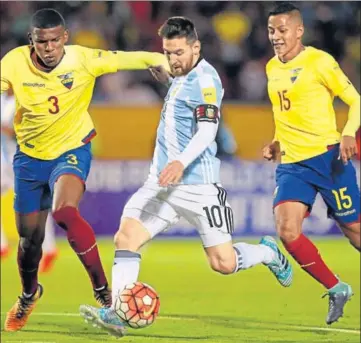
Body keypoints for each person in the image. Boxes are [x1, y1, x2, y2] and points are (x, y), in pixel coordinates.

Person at [79, 16, 293, 338]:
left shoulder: (206, 80)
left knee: (223, 263)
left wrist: (180, 161)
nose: (172, 60)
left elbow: (208, 130)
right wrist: (168, 78)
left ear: (196, 47)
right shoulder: (179, 74)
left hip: (198, 187)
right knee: (127, 237)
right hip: (162, 183)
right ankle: (118, 312)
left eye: (179, 52)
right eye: (167, 52)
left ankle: (267, 252)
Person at [1, 8, 170, 332]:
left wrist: (156, 59)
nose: (49, 48)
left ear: (64, 38)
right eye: (41, 42)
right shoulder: (13, 63)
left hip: (71, 149)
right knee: (29, 242)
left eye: (54, 41)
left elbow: (124, 58)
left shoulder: (83, 59)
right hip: (29, 158)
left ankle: (105, 294)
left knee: (64, 211)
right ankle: (28, 294)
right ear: (31, 41)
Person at [262, 3, 360, 325]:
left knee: (354, 231)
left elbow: (355, 99)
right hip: (293, 164)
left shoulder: (319, 61)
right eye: (271, 31)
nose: (275, 37)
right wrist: (276, 142)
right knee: (287, 231)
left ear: (298, 30)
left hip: (328, 157)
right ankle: (336, 288)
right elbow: (284, 114)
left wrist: (348, 133)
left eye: (282, 30)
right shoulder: (270, 68)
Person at [0, 93, 58, 271]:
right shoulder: (3, 99)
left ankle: (48, 248)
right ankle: (2, 246)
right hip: (5, 160)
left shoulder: (26, 98)